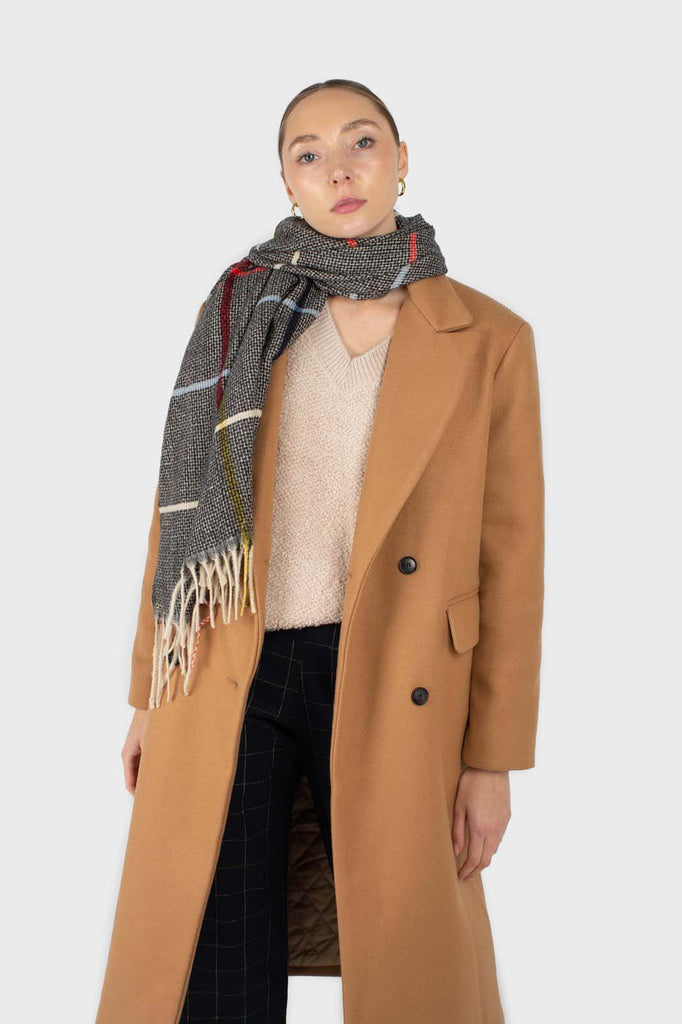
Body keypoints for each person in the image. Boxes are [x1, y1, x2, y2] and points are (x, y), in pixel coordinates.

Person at [97, 78, 545, 1024]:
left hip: (394, 673)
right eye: (309, 153)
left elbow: (511, 564)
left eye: (361, 142)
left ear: (402, 160)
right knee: (216, 960)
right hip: (231, 665)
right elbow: (177, 511)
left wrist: (493, 761)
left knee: (404, 964)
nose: (338, 170)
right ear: (287, 182)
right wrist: (149, 694)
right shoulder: (240, 313)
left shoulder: (488, 339)